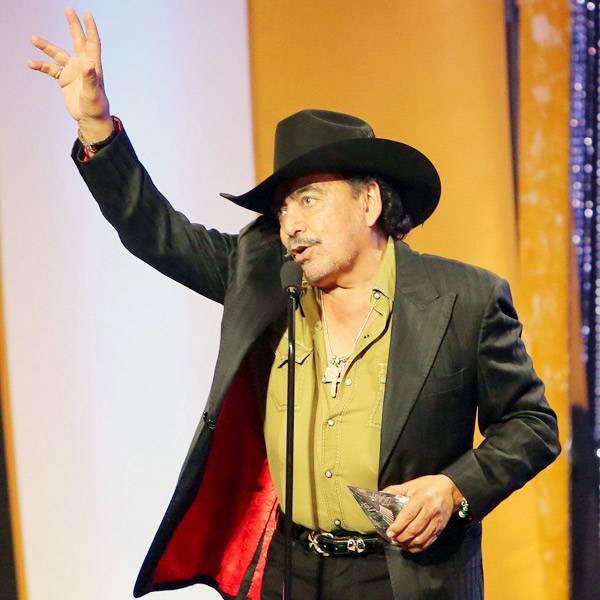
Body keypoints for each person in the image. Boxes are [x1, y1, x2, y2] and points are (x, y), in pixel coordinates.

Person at [29, 9, 560, 600]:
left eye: (308, 200)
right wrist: (97, 127)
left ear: (370, 204)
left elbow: (532, 427)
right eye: (283, 207)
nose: (290, 225)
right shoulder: (263, 279)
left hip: (403, 577)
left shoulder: (466, 298)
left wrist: (455, 488)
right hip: (290, 570)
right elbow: (155, 231)